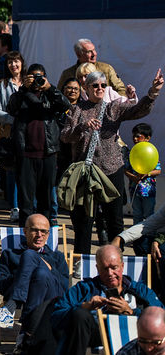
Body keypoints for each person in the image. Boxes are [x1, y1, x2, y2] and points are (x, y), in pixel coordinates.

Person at [61, 68, 163, 255]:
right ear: (86, 87)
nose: (100, 88)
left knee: (115, 220)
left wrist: (153, 92)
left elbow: (138, 110)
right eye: (95, 86)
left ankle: (117, 260)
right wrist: (83, 126)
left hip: (111, 169)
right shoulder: (76, 109)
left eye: (103, 85)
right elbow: (65, 136)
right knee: (84, 221)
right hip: (87, 172)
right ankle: (81, 261)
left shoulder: (112, 107)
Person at [50, 244, 162, 355]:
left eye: (114, 267)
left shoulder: (140, 290)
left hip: (131, 335)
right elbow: (55, 317)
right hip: (94, 335)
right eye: (104, 268)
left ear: (122, 266)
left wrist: (130, 312)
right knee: (80, 314)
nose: (110, 273)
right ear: (97, 269)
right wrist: (84, 306)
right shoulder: (84, 288)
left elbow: (161, 318)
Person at [0, 214, 69, 351]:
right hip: (31, 297)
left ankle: (11, 308)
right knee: (39, 274)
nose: (39, 235)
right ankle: (28, 334)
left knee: (32, 258)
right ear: (25, 231)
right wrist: (24, 274)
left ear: (48, 234)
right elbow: (2, 285)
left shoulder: (57, 257)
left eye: (44, 231)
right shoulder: (10, 254)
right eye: (34, 230)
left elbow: (65, 287)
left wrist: (48, 267)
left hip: (52, 297)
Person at [6, 64, 71, 224]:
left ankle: (45, 235)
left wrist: (49, 88)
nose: (37, 80)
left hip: (48, 153)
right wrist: (23, 89)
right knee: (26, 201)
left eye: (40, 77)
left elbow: (65, 105)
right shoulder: (21, 95)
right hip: (25, 153)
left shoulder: (50, 95)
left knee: (46, 199)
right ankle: (25, 234)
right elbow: (11, 109)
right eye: (33, 77)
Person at [0, 51, 25, 221]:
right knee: (12, 170)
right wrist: (13, 119)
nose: (13, 65)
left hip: (28, 134)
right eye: (10, 62)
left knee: (28, 170)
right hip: (10, 132)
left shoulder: (28, 82)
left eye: (16, 62)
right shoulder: (3, 85)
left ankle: (29, 204)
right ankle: (14, 206)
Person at [56, 38, 125, 93]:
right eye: (89, 52)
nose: (94, 54)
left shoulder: (106, 69)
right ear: (78, 55)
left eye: (94, 50)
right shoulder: (68, 74)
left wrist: (113, 105)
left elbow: (121, 89)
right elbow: (59, 94)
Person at [127, 123, 160, 226]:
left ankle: (148, 238)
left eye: (138, 136)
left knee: (149, 214)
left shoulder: (151, 152)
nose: (135, 139)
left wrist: (147, 173)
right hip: (134, 189)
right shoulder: (131, 153)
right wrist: (133, 177)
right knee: (137, 214)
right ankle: (137, 240)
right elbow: (125, 169)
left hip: (148, 190)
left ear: (147, 138)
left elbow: (158, 170)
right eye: (134, 136)